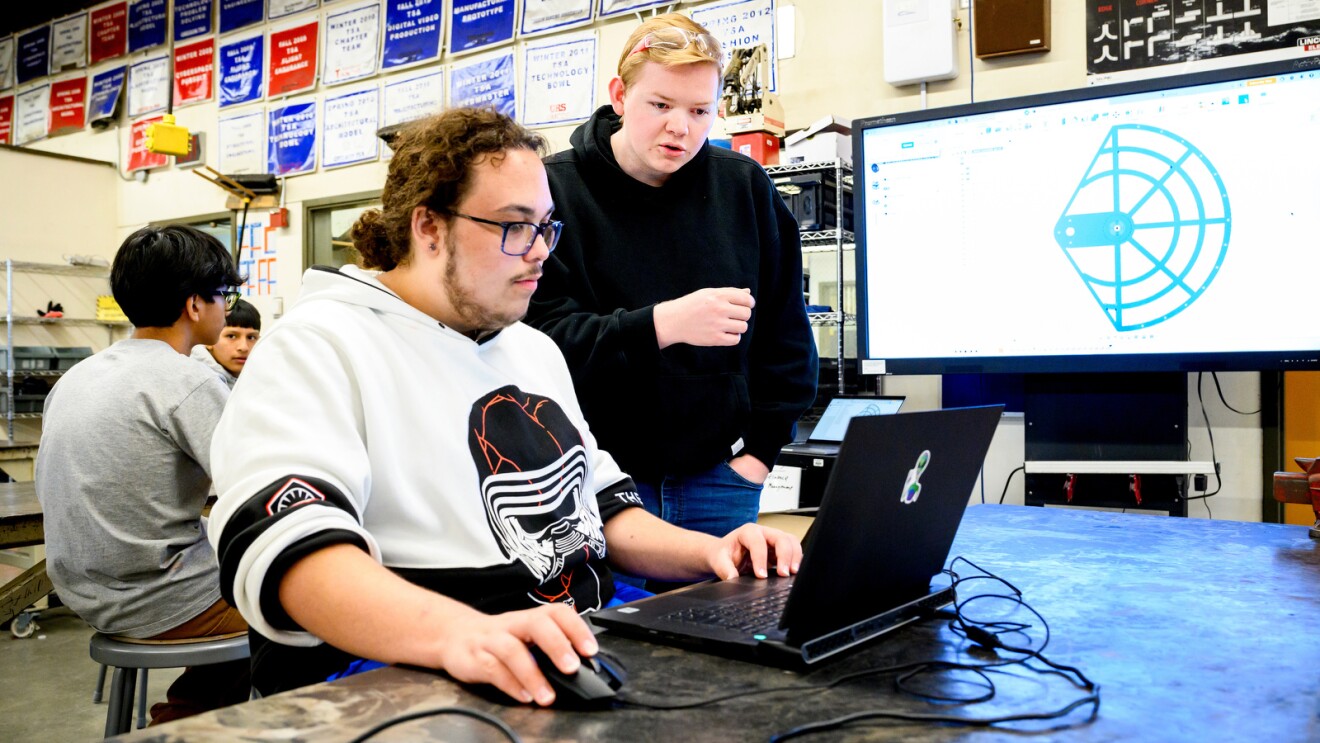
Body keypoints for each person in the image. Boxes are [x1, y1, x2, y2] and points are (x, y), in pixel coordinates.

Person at [206, 107, 802, 705]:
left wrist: (713, 551)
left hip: (570, 640)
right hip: (399, 665)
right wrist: (461, 635)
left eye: (547, 226)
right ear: (429, 228)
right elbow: (291, 551)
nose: (541, 251)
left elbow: (602, 506)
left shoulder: (531, 347)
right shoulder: (320, 344)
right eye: (516, 227)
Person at [525, 13, 818, 540]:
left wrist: (758, 457)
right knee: (607, 623)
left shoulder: (744, 189)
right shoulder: (552, 192)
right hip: (590, 482)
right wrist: (661, 324)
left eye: (699, 110)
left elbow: (788, 339)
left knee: (729, 619)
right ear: (620, 95)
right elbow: (537, 343)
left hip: (720, 481)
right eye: (659, 105)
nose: (679, 127)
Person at [35, 225, 249, 725]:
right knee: (309, 611)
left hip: (81, 590)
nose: (227, 310)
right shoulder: (189, 380)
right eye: (224, 296)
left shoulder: (79, 375)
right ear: (195, 305)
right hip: (156, 598)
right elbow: (254, 481)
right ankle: (176, 726)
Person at [191, 298, 261, 388]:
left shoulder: (262, 377)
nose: (244, 347)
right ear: (209, 339)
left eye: (251, 337)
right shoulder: (197, 382)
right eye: (231, 336)